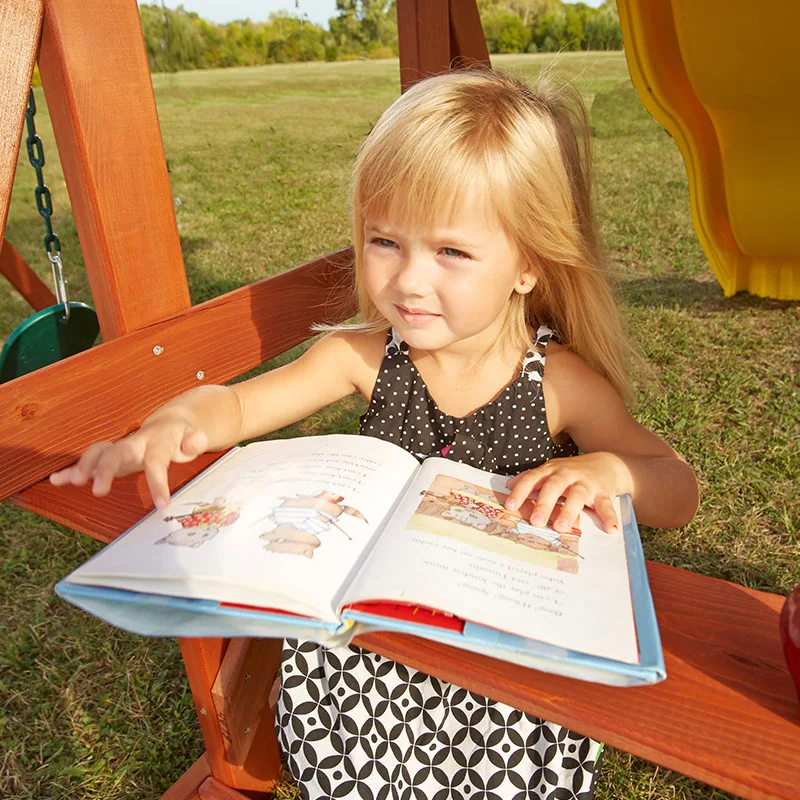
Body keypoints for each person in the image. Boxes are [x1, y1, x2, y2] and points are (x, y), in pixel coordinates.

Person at [51, 68, 699, 799]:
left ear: (528, 265)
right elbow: (236, 409)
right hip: (364, 663)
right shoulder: (359, 356)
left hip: (499, 674)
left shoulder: (557, 382)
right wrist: (173, 423)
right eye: (385, 240)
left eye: (451, 252)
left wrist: (613, 471)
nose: (408, 281)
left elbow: (677, 490)